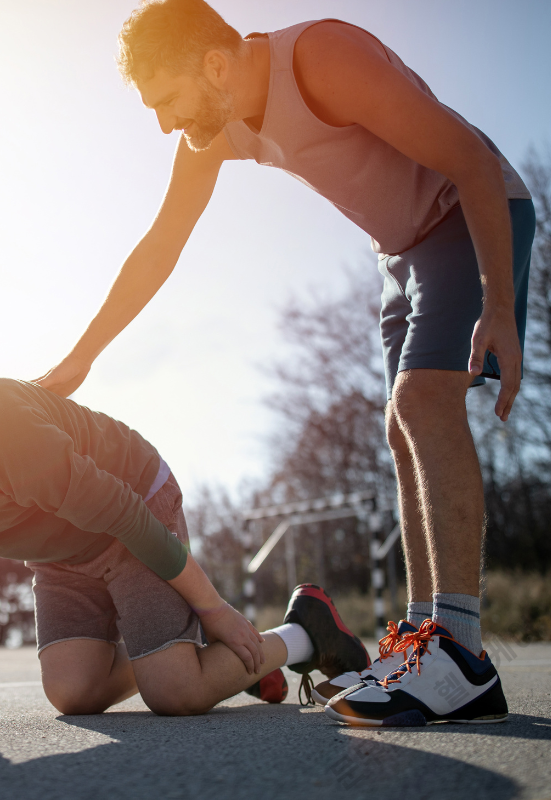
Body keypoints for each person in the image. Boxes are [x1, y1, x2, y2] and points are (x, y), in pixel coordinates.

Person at [35, 0, 533, 725]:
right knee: (402, 429)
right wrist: (81, 357)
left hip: (469, 214)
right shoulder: (216, 129)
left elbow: (472, 160)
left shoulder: (321, 59)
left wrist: (501, 304)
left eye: (167, 101)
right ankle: (423, 642)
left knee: (423, 402)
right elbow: (160, 247)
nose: (166, 124)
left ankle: (461, 654)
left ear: (214, 65)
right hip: (401, 253)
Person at [0, 377, 368, 723]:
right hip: (61, 551)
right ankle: (198, 653)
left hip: (132, 509)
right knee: (72, 693)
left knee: (176, 693)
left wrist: (213, 609)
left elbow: (123, 514)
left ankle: (307, 631)